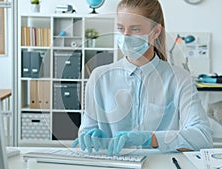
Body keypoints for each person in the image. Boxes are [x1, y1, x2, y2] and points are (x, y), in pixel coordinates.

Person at [72, 0, 212, 156]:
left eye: (135, 29)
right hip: (112, 163)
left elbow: (202, 136)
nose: (125, 36)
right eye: (120, 28)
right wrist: (90, 136)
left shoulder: (179, 78)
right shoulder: (99, 77)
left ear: (156, 32)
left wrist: (150, 138)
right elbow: (85, 130)